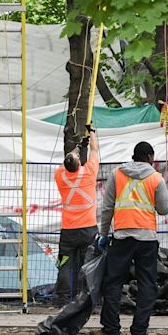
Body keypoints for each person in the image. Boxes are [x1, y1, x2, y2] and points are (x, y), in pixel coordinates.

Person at [90, 141, 168, 335]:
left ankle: (111, 329)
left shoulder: (117, 174)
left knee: (113, 282)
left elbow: (107, 207)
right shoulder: (156, 178)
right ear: (150, 157)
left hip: (122, 236)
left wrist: (104, 233)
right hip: (146, 239)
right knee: (146, 284)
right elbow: (164, 209)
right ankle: (139, 331)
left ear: (134, 156)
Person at [53, 130, 99, 307]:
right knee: (86, 265)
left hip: (68, 230)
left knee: (65, 264)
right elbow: (94, 151)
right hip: (88, 228)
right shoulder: (89, 173)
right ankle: (84, 300)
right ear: (80, 162)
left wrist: (77, 148)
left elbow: (68, 161)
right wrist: (92, 134)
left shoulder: (60, 176)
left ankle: (62, 300)